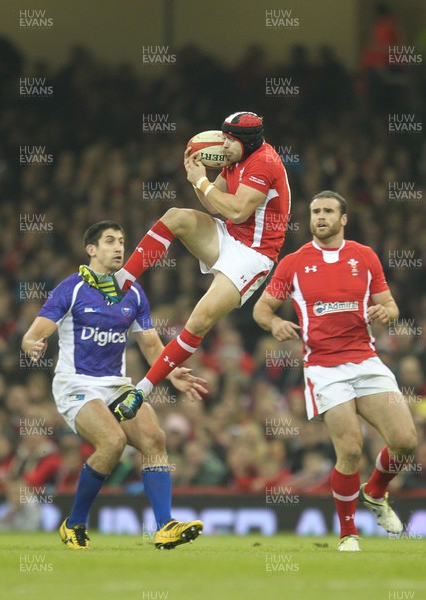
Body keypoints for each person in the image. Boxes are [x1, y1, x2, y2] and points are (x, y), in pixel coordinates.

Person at [21, 220, 208, 550]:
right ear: (91, 250)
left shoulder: (133, 292)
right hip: (75, 383)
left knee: (154, 437)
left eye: (122, 241)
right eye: (110, 241)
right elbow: (32, 335)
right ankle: (75, 523)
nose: (120, 247)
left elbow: (151, 345)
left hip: (116, 384)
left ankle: (164, 526)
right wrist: (32, 346)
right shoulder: (72, 289)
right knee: (112, 441)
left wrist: (173, 370)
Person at [253, 190, 418, 552]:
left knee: (406, 441)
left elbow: (389, 304)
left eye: (328, 211)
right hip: (324, 367)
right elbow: (262, 309)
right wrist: (274, 325)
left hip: (366, 360)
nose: (320, 217)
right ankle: (348, 533)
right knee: (350, 449)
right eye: (315, 212)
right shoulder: (294, 262)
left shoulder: (365, 256)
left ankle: (375, 492)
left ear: (344, 219)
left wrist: (385, 312)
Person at [112, 111, 291, 419]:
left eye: (228, 140)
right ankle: (119, 284)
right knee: (176, 216)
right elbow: (213, 202)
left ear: (245, 142)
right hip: (230, 236)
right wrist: (196, 179)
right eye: (221, 137)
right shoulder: (234, 156)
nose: (222, 145)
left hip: (254, 255)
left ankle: (141, 391)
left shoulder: (264, 163)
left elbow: (236, 210)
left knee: (199, 320)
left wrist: (202, 182)